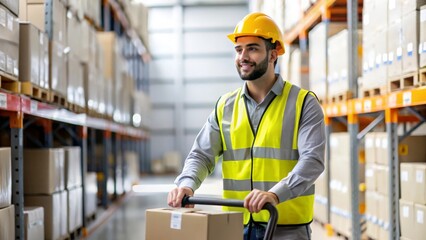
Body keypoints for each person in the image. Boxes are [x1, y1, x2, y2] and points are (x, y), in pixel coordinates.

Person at [167, 12, 325, 240]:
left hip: (284, 227)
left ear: (273, 54)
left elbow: (312, 161)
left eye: (252, 48)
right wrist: (187, 184)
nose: (243, 56)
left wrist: (275, 194)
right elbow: (201, 155)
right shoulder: (225, 106)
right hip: (236, 227)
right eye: (239, 49)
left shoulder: (303, 103)